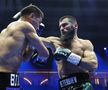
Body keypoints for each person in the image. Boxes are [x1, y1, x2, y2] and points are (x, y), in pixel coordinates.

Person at [39, 15, 98, 90]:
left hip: (82, 85)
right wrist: (22, 24)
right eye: (60, 26)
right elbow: (33, 40)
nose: (61, 28)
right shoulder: (55, 42)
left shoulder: (85, 44)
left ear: (75, 26)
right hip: (63, 86)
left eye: (64, 25)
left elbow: (93, 64)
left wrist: (70, 56)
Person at [0, 4, 49, 89]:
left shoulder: (7, 31)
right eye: (39, 22)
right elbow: (45, 53)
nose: (38, 27)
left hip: (8, 75)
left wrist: (32, 47)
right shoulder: (25, 25)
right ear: (32, 16)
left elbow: (25, 59)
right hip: (4, 75)